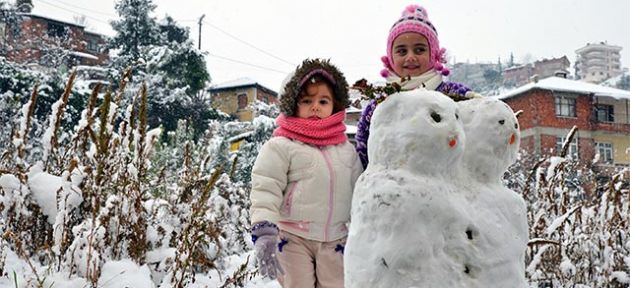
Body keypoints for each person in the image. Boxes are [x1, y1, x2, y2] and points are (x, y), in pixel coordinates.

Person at [249, 58, 363, 288]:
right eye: (307, 100)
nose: (315, 107)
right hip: (293, 238)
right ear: (294, 105)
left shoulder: (345, 149)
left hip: (336, 239)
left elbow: (360, 190)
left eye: (323, 101)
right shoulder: (282, 145)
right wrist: (264, 231)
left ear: (335, 105)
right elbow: (266, 186)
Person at [355, 4, 480, 168]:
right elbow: (363, 155)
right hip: (394, 188)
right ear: (390, 58)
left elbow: (479, 128)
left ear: (434, 54)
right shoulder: (378, 105)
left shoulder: (454, 95)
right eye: (402, 51)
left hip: (447, 186)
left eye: (419, 50)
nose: (411, 57)